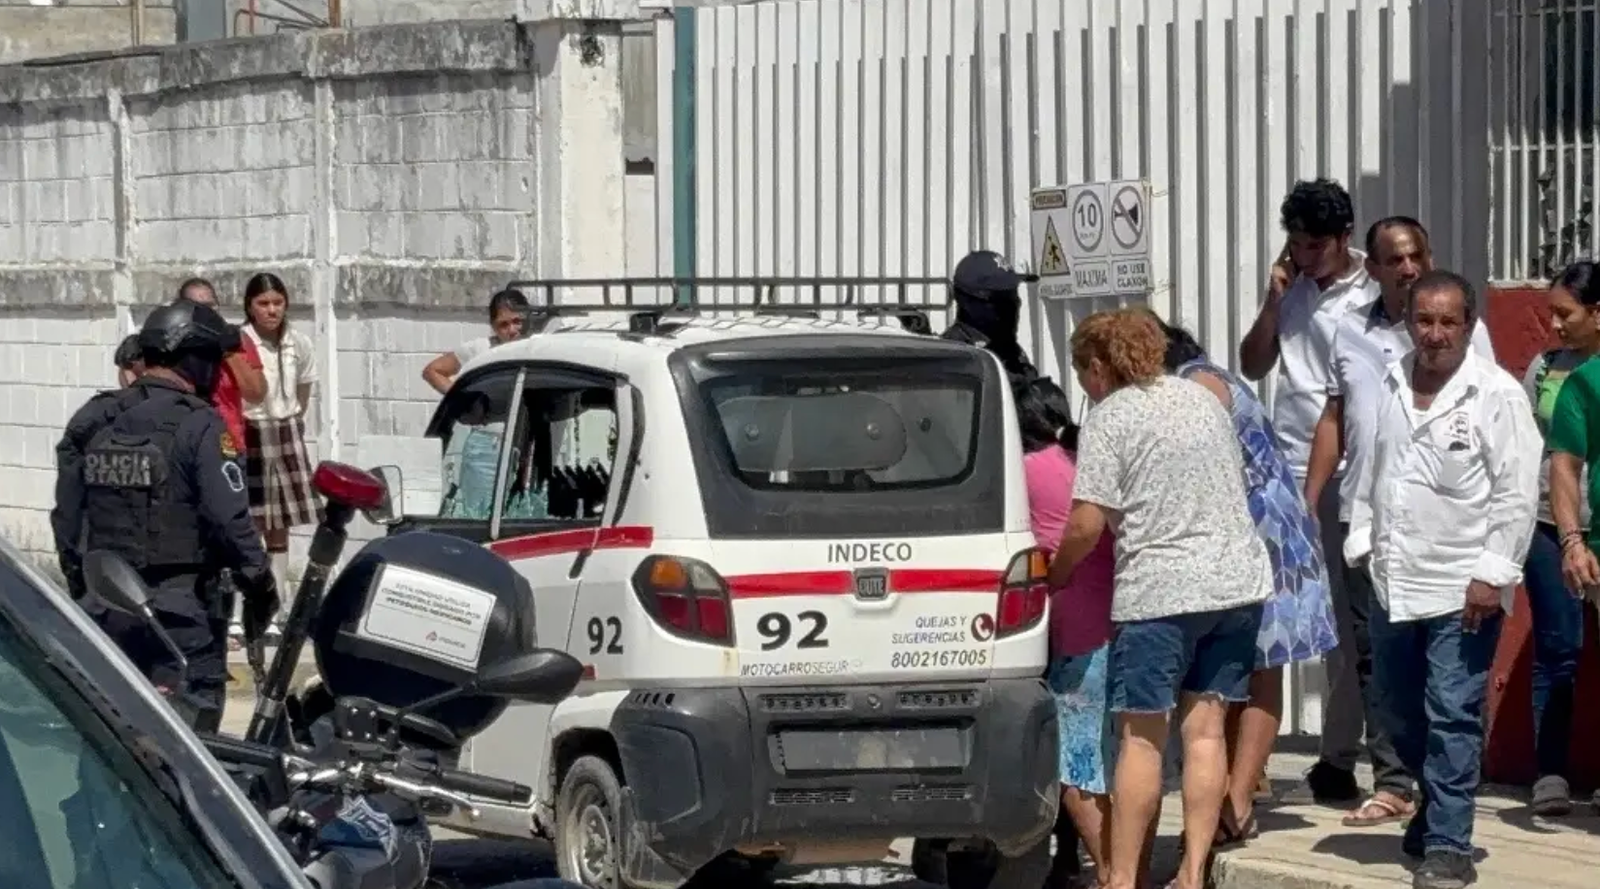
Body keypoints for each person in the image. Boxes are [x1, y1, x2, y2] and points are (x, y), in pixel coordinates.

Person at [1048, 309, 1271, 889]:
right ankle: (1192, 873)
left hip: (1160, 593)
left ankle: (1123, 879)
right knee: (1206, 731)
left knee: (1141, 739)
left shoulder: (1110, 416)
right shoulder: (1202, 398)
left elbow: (1086, 523)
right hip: (1236, 584)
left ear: (1098, 368)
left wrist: (1056, 574)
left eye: (1083, 372)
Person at [1345, 269, 1540, 889]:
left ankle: (1450, 846)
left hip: (1463, 588)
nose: (1434, 334)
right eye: (1423, 321)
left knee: (1452, 712)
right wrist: (1361, 537)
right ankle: (1433, 810)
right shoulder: (1392, 381)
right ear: (1408, 323)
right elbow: (1373, 466)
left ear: (1468, 325)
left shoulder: (1496, 394)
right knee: (1398, 711)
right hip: (1393, 580)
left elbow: (1516, 492)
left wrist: (1492, 573)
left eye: (1447, 322)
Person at [1304, 218, 1499, 825]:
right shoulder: (1348, 331)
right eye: (1395, 259)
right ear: (1374, 269)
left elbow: (1490, 419)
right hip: (1367, 519)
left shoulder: (1466, 333)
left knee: (1445, 669)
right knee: (1375, 660)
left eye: (1417, 255)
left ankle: (1444, 791)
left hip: (1443, 528)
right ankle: (1393, 782)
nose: (1409, 267)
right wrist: (1310, 501)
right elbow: (1335, 417)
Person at [49, 298, 279, 733]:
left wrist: (85, 588)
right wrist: (261, 582)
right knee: (190, 747)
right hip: (180, 617)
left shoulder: (93, 418)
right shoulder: (201, 425)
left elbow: (66, 520)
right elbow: (229, 520)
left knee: (105, 742)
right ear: (192, 358)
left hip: (104, 612)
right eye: (212, 361)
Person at [1160, 318, 1338, 846]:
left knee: (1262, 666)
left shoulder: (1197, 384)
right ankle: (1229, 794)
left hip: (1266, 538)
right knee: (1241, 667)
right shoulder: (1201, 377)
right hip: (1247, 534)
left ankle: (1238, 799)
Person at [1239, 178, 1380, 807]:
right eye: (1296, 244)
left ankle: (1338, 754)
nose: (1305, 256)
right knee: (1268, 614)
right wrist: (1274, 302)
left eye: (1316, 246)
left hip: (1344, 472)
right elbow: (1253, 363)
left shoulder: (1372, 292)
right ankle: (1253, 759)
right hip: (1282, 466)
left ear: (1344, 238)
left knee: (1343, 624)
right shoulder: (1291, 288)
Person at [1020, 386, 1115, 888]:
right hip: (1120, 622)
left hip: (1071, 630)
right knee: (1114, 757)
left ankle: (1112, 873)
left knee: (1074, 762)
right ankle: (1119, 866)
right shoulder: (1089, 463)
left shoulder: (1027, 470)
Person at [1535, 260, 1600, 814]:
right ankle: (1550, 773)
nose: (1555, 325)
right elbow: (1554, 458)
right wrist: (1571, 538)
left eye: (1565, 313)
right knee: (1559, 648)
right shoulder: (1558, 372)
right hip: (1559, 528)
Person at [240, 272, 322, 632]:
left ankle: (275, 609)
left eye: (277, 302)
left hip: (285, 428)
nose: (271, 310)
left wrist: (291, 420)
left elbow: (304, 390)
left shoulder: (298, 343)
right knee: (250, 523)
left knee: (280, 526)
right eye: (263, 303)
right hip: (250, 430)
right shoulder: (240, 343)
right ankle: (245, 610)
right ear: (250, 307)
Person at [423, 288, 531, 395]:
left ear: (527, 319)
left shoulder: (537, 347)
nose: (512, 330)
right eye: (503, 325)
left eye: (517, 321)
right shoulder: (481, 349)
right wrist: (462, 399)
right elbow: (432, 371)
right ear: (493, 326)